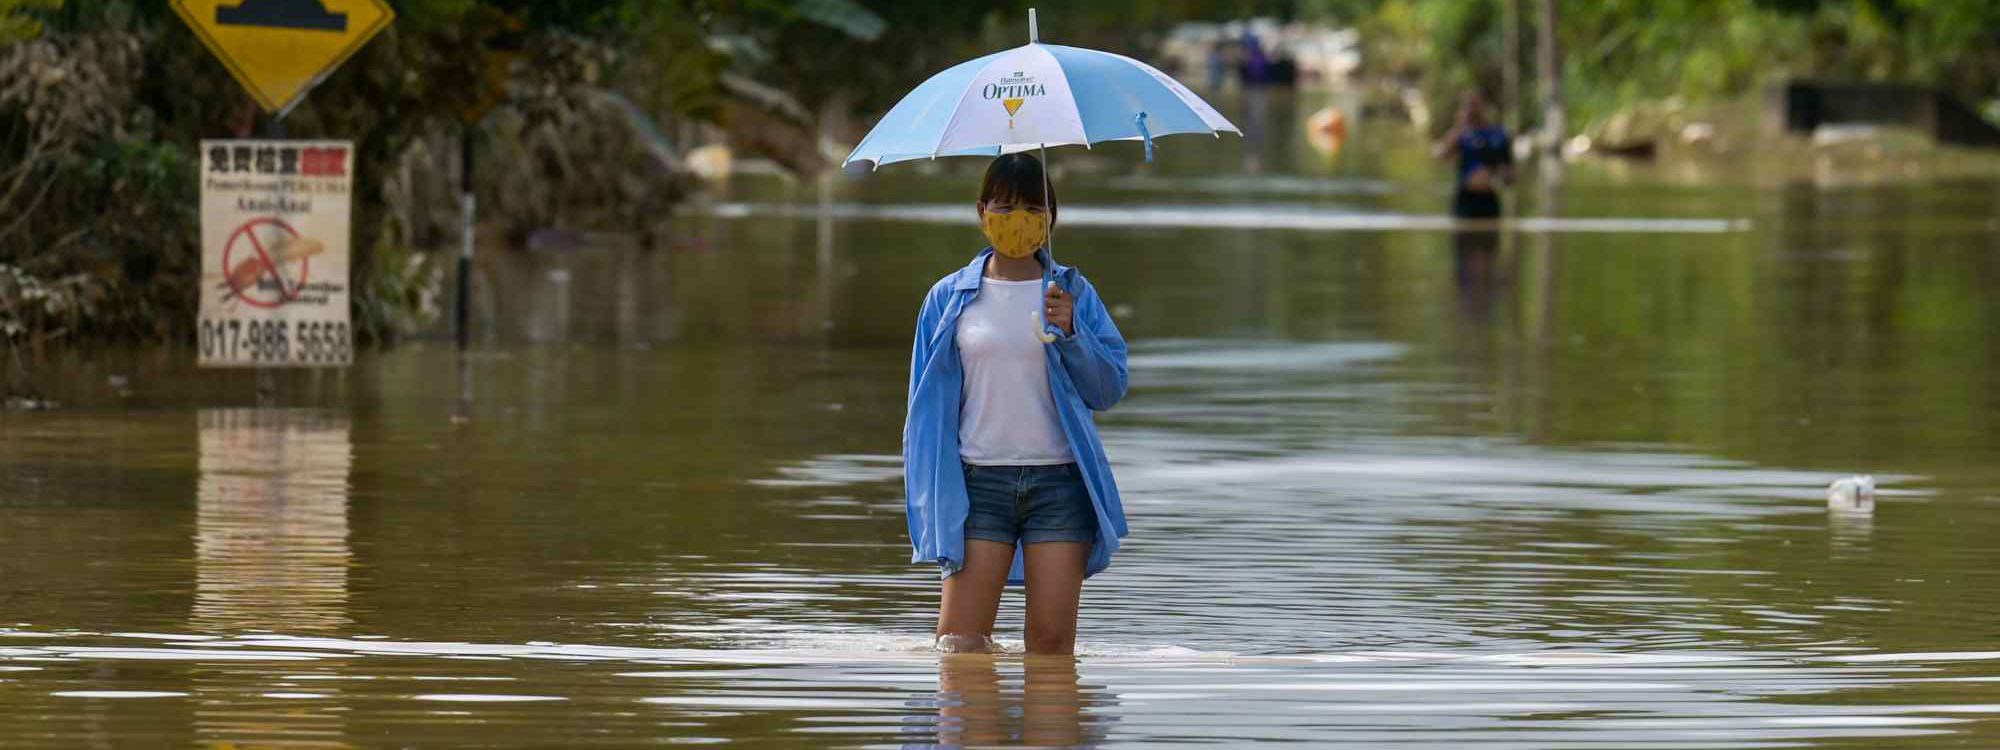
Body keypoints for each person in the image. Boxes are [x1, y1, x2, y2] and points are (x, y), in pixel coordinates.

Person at [903, 153, 1130, 656]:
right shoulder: (948, 298)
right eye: (1005, 206)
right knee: (960, 646)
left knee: (1051, 648)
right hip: (978, 484)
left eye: (1031, 207)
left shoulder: (1071, 292)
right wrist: (929, 502)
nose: (1017, 220)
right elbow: (922, 413)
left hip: (1060, 484)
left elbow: (1108, 387)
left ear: (1051, 217)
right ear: (982, 210)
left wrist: (1071, 331)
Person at [1433, 91, 1514, 219]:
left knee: (1489, 236)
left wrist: (1498, 178)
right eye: (1468, 105)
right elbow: (1442, 156)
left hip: (1489, 200)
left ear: (1484, 106)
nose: (1473, 109)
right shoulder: (1461, 135)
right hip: (1465, 200)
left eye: (1476, 104)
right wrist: (1459, 126)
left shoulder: (1498, 135)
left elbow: (1509, 173)